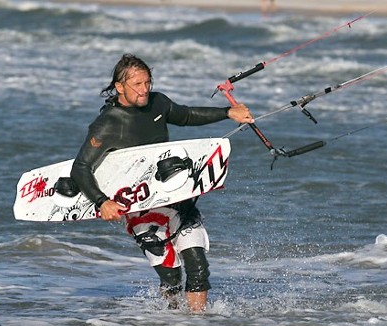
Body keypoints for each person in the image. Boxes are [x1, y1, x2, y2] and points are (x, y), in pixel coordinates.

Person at [70, 53, 253, 312]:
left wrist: (227, 112)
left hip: (176, 197)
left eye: (148, 83)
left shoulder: (158, 103)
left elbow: (187, 115)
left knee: (198, 268)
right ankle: (172, 322)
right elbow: (81, 168)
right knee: (171, 277)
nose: (145, 90)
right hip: (140, 209)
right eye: (138, 85)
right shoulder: (108, 123)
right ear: (120, 87)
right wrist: (102, 202)